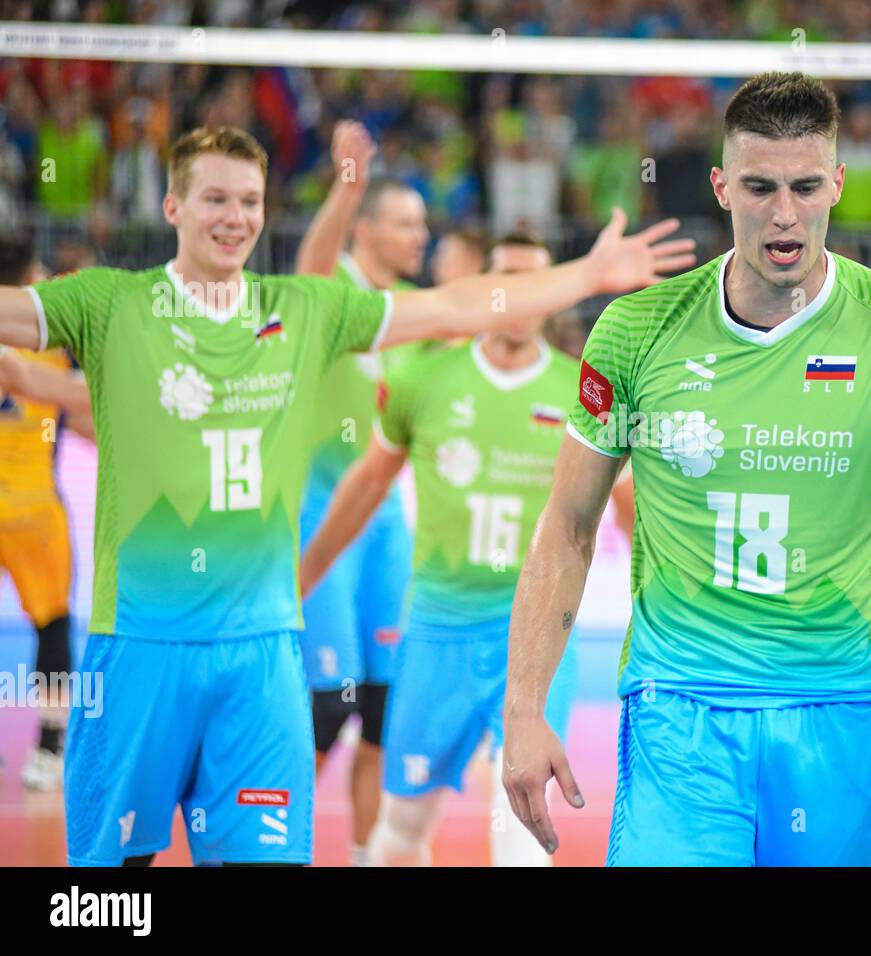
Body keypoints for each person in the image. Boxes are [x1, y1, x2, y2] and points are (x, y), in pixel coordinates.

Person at [0, 124, 694, 867]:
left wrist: (589, 274)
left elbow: (458, 305)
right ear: (172, 206)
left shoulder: (304, 310)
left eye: (249, 201)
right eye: (214, 199)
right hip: (140, 646)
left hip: (263, 659)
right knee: (108, 898)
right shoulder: (110, 303)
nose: (234, 217)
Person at [502, 72, 871, 866]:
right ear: (721, 187)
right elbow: (567, 526)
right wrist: (524, 713)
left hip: (837, 710)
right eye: (759, 187)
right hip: (679, 717)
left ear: (838, 184)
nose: (784, 213)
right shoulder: (637, 330)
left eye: (806, 187)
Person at [301, 232, 605, 866]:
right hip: (438, 632)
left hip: (536, 635)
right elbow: (365, 489)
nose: (521, 296)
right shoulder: (423, 378)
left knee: (522, 832)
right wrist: (299, 580)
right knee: (403, 827)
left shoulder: (583, 392)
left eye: (535, 281)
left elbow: (627, 508)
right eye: (508, 279)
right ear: (486, 288)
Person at [291, 122, 485, 867]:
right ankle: (262, 847)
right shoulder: (332, 291)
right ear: (366, 229)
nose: (420, 235)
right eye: (406, 223)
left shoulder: (416, 308)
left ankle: (368, 857)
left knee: (380, 712)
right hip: (321, 519)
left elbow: (480, 329)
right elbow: (311, 265)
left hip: (386, 528)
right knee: (326, 709)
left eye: (424, 224)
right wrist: (346, 185)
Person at [0, 235, 91, 792]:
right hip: (34, 510)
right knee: (52, 624)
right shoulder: (50, 338)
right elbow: (80, 409)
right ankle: (49, 750)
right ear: (30, 275)